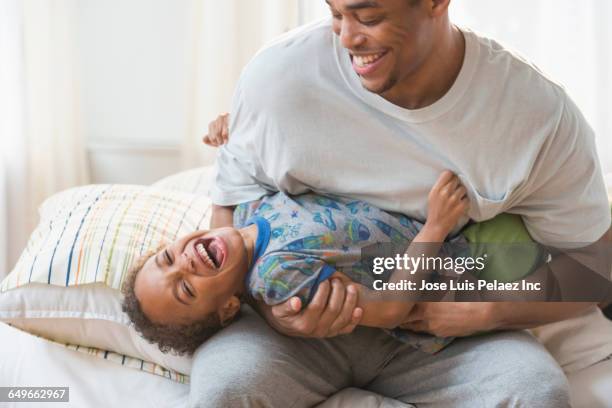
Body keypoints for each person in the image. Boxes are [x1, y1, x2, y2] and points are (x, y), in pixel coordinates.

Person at [194, 0, 611, 406]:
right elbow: (230, 208)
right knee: (226, 389)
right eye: (336, 15)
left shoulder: (534, 114)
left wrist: (488, 311)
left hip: (441, 329)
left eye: (369, 16)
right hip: (291, 331)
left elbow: (600, 266)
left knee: (536, 391)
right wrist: (276, 310)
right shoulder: (279, 77)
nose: (347, 38)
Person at [122, 171, 471, 355]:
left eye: (167, 257)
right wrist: (436, 226)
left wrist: (229, 131)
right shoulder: (276, 276)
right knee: (523, 299)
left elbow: (229, 184)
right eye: (185, 288)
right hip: (455, 264)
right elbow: (392, 308)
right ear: (228, 308)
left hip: (433, 216)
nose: (184, 263)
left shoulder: (246, 210)